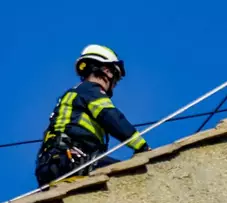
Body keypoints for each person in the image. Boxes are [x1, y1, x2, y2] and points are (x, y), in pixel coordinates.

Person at [35, 44, 151, 187]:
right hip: (71, 161)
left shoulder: (77, 93)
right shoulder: (90, 91)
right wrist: (142, 147)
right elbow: (112, 118)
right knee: (132, 177)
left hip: (54, 164)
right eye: (116, 78)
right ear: (107, 71)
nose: (114, 84)